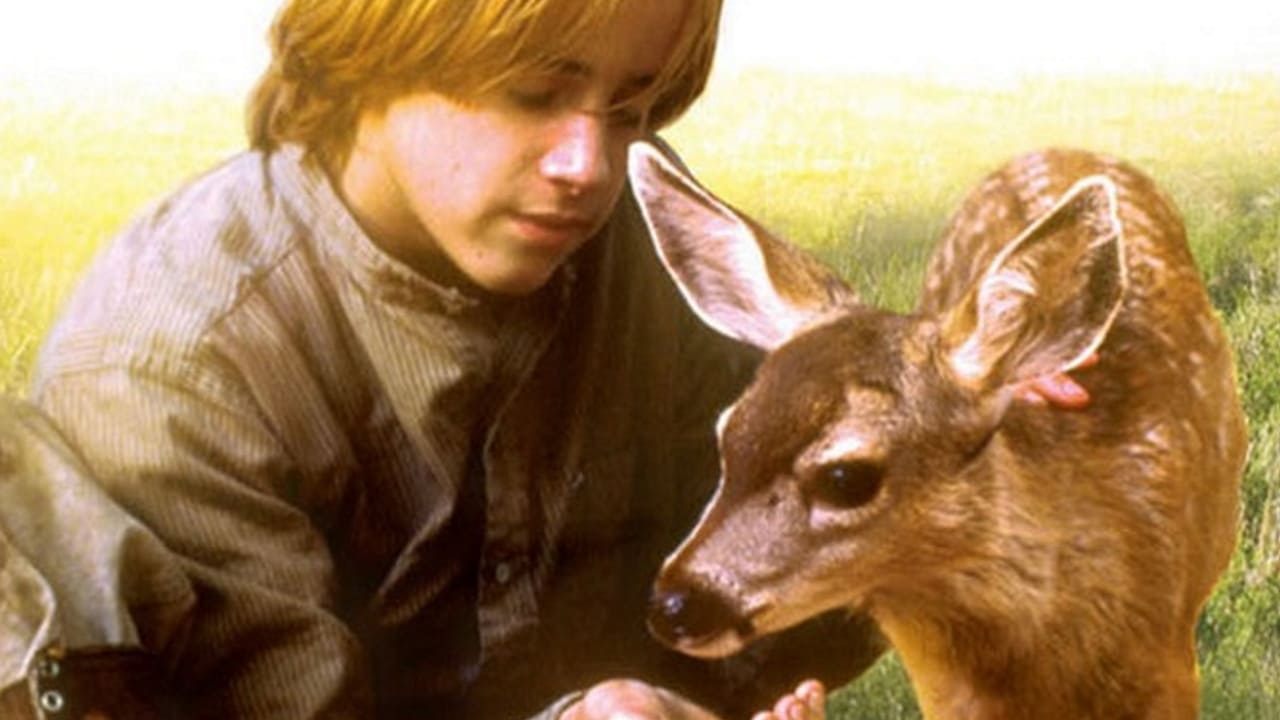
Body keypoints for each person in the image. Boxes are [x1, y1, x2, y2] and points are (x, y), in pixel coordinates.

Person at [0, 0, 1090, 717]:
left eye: (632, 106)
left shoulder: (604, 238)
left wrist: (961, 411)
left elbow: (805, 536)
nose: (588, 164)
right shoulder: (173, 379)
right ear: (371, 44)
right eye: (531, 91)